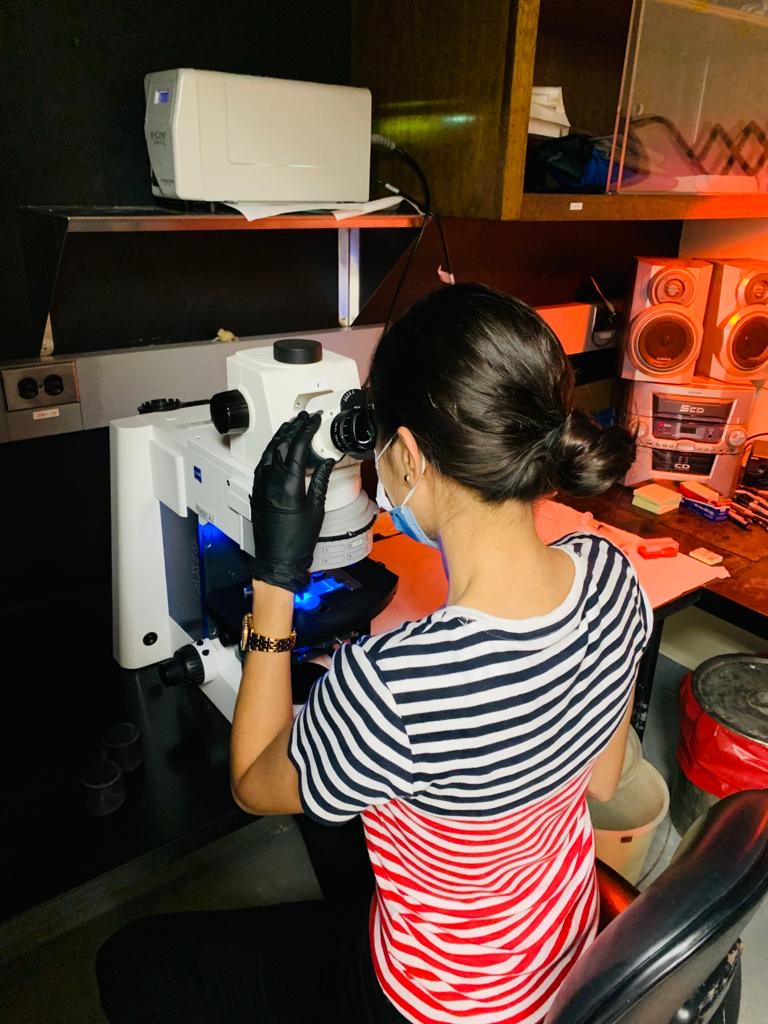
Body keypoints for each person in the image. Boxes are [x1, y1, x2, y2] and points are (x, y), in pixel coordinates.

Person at [96, 283, 652, 1024]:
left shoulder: (393, 684)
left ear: (410, 457)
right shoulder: (614, 575)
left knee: (132, 962)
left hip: (436, 1003)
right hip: (558, 947)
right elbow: (603, 774)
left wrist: (274, 577)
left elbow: (254, 785)